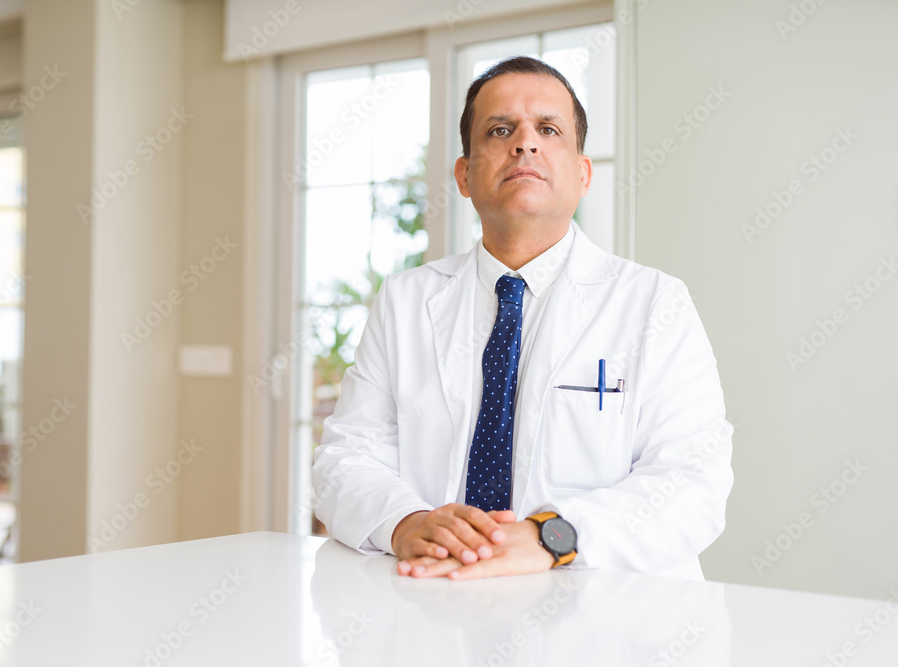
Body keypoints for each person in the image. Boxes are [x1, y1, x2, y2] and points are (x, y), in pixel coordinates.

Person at [312, 56, 733, 581]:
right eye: (500, 129)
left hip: (604, 622)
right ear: (465, 176)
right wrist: (406, 522)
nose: (525, 143)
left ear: (582, 175)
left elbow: (693, 483)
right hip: (436, 601)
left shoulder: (655, 303)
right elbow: (345, 459)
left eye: (549, 129)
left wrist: (548, 536)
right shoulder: (405, 300)